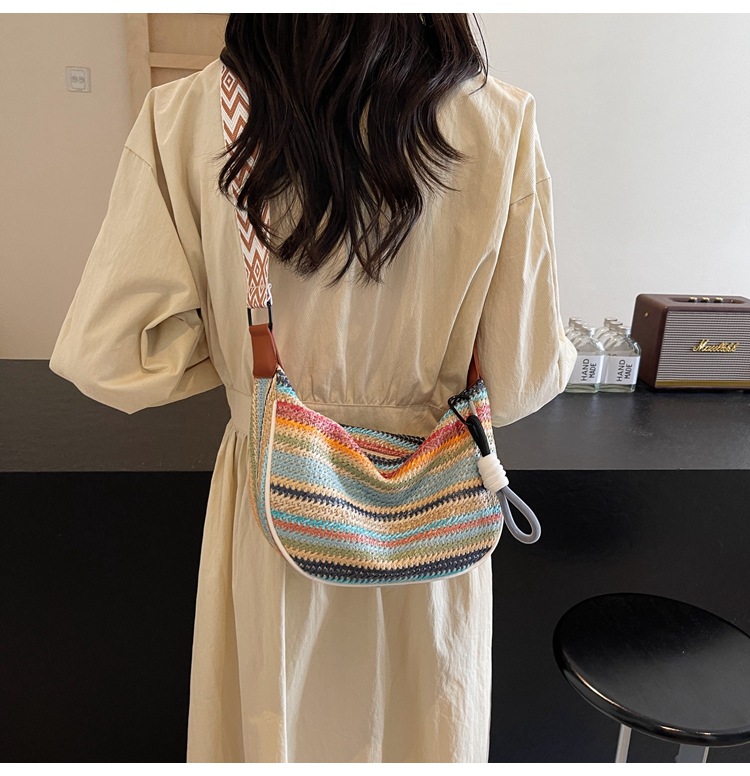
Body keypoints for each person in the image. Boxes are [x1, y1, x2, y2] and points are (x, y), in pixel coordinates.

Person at [49, 13, 576, 763]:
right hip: (435, 512)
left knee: (277, 724)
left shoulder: (191, 114)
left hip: (275, 493)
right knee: (424, 726)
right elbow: (523, 376)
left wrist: (240, 367)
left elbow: (107, 355)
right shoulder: (500, 120)